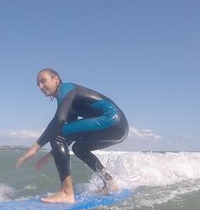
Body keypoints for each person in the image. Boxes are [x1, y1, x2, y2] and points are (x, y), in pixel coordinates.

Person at [16, 68, 129, 203]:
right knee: (79, 149)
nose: (40, 86)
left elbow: (59, 121)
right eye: (38, 84)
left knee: (57, 131)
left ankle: (66, 193)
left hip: (111, 119)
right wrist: (50, 155)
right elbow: (68, 135)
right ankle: (110, 183)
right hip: (120, 128)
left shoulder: (66, 88)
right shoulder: (69, 102)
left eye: (43, 81)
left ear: (56, 80)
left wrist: (34, 148)